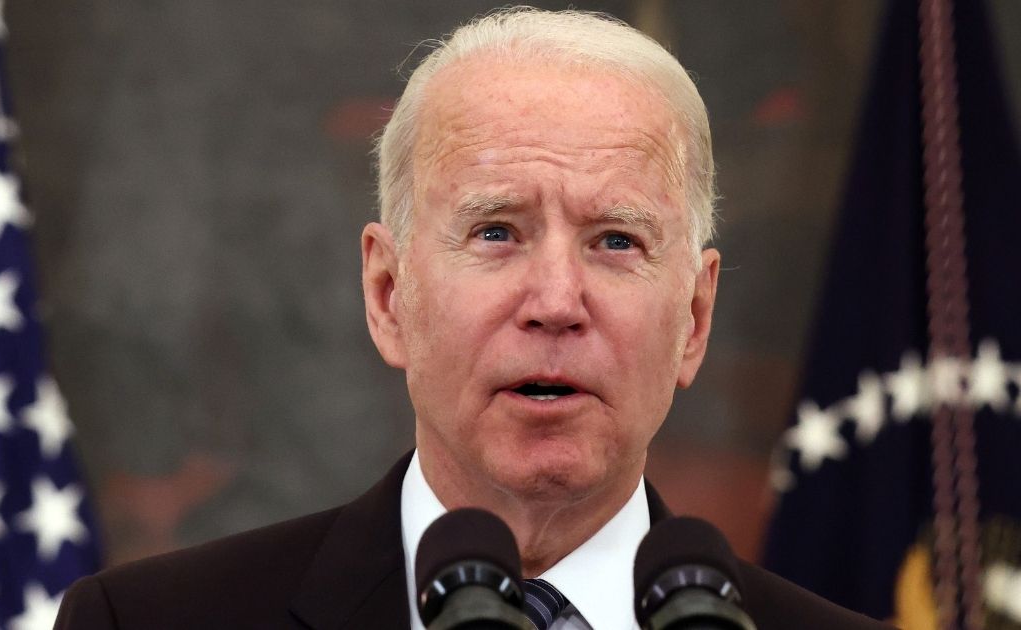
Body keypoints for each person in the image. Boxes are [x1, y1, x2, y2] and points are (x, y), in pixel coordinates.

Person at [55, 8, 893, 629]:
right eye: (496, 232)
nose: (558, 302)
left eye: (615, 239)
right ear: (389, 295)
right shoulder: (147, 623)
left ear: (695, 319)